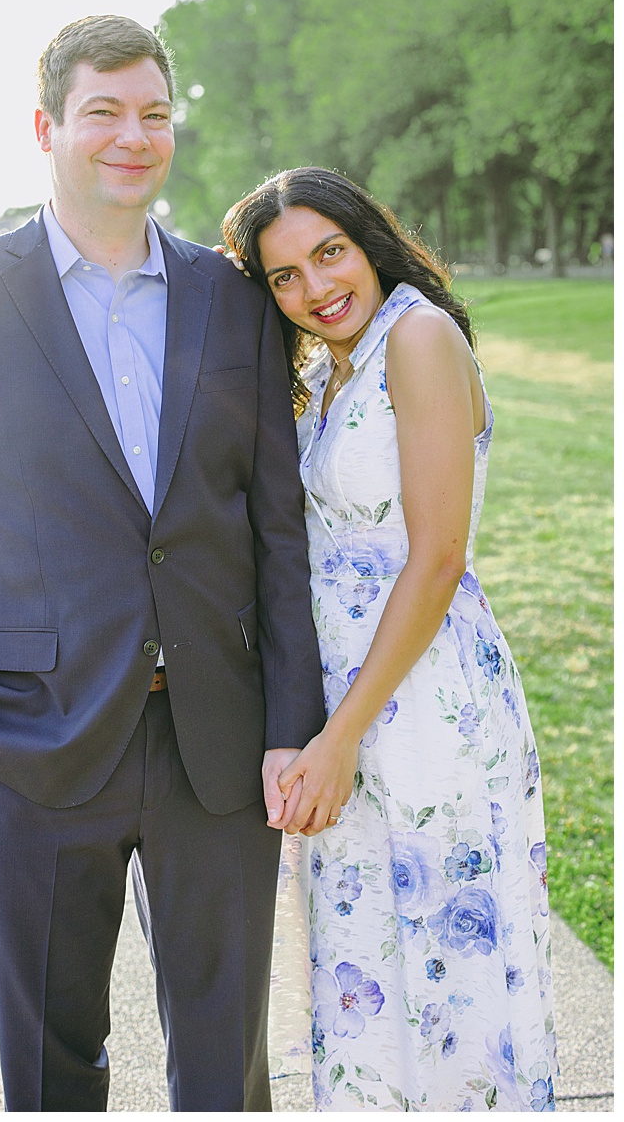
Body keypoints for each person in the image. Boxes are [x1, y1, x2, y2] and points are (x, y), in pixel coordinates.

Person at [0, 14, 325, 1111]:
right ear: (47, 127)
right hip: (27, 748)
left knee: (227, 1068)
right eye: (105, 113)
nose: (135, 136)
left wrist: (289, 724)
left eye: (154, 114)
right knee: (50, 1068)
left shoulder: (233, 298)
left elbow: (275, 529)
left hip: (216, 748)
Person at [221, 168, 557, 1111]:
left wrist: (340, 738)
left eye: (329, 251)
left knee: (448, 978)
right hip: (348, 703)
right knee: (372, 976)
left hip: (420, 700)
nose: (316, 287)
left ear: (370, 238)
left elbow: (438, 555)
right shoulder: (332, 364)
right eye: (283, 276)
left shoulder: (416, 336)